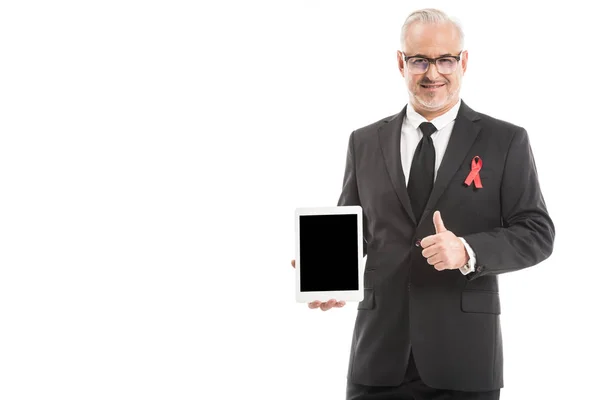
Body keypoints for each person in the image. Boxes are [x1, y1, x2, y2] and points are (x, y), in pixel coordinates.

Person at [290, 8, 554, 400]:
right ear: (401, 63)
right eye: (420, 60)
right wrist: (326, 269)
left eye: (446, 59)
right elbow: (358, 230)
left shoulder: (505, 141)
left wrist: (466, 250)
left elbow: (536, 232)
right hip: (377, 359)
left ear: (464, 61)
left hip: (464, 359)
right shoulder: (364, 142)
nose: (433, 73)